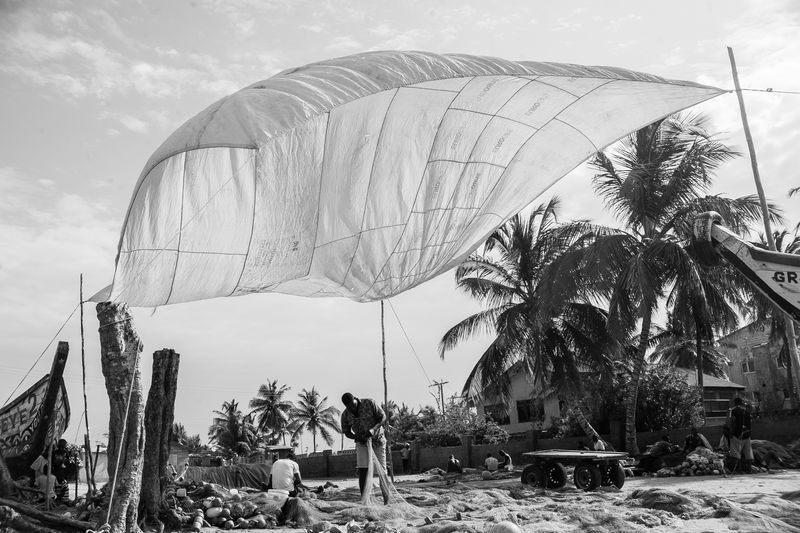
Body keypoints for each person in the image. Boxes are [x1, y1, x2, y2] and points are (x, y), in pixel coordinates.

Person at [341, 392, 390, 503]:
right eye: (349, 407)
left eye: (352, 406)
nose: (352, 409)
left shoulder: (369, 403)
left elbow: (382, 417)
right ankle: (365, 501)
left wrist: (373, 429)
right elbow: (347, 432)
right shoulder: (345, 415)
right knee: (363, 470)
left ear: (355, 400)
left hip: (378, 441)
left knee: (382, 472)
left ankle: (387, 500)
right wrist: (356, 436)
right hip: (361, 443)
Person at [729, 397, 753, 471]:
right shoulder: (746, 411)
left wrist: (731, 433)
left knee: (736, 452)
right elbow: (750, 422)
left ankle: (739, 470)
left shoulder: (733, 411)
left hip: (737, 435)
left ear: (734, 403)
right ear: (741, 402)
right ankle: (749, 470)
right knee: (748, 452)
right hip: (747, 434)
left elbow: (732, 422)